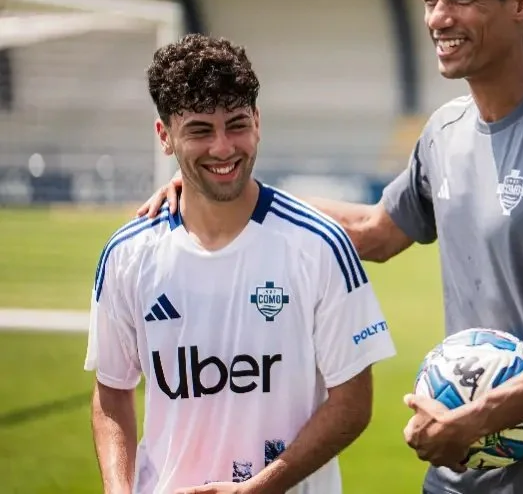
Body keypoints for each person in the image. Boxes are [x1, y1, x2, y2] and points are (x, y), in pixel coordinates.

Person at [139, 0, 523, 494]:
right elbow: (376, 232)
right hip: (462, 472)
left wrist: (481, 418)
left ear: (521, 3)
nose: (438, 17)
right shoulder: (444, 132)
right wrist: (227, 193)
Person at [87, 34, 396, 494]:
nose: (223, 147)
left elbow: (353, 403)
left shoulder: (320, 245)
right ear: (164, 137)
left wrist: (262, 486)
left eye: (236, 124)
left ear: (258, 122)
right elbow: (112, 390)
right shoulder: (128, 255)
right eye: (199, 130)